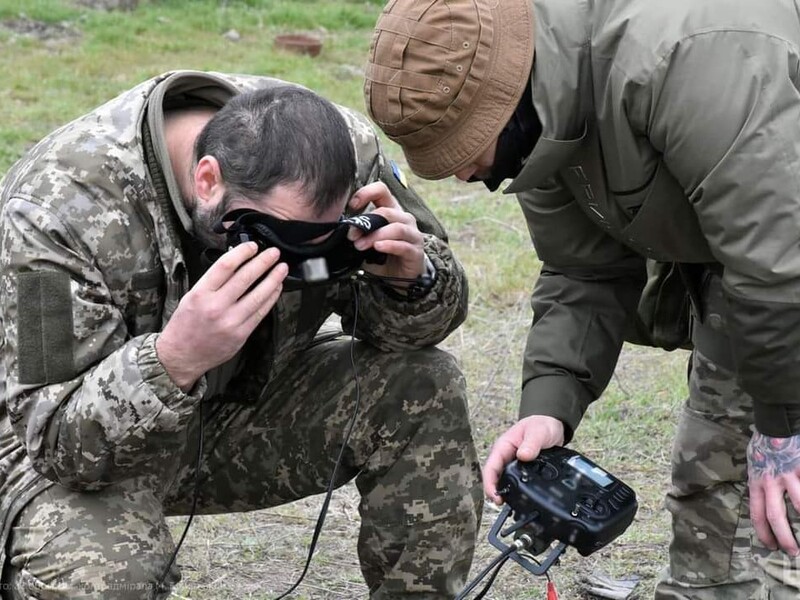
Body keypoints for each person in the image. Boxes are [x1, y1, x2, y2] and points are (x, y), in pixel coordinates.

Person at [364, 0, 800, 598]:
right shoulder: (540, 115)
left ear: (509, 97)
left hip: (784, 254)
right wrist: (549, 403)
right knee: (714, 483)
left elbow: (780, 257)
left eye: (465, 148)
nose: (462, 174)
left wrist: (783, 426)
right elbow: (582, 269)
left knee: (788, 506)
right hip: (757, 263)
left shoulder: (691, 52)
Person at [0, 70, 483, 599]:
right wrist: (174, 360)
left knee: (424, 384)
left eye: (315, 246)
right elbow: (53, 439)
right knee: (105, 572)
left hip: (235, 407)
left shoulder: (345, 155)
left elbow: (426, 322)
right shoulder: (56, 208)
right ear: (208, 180)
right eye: (272, 239)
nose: (295, 262)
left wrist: (415, 281)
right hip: (50, 445)